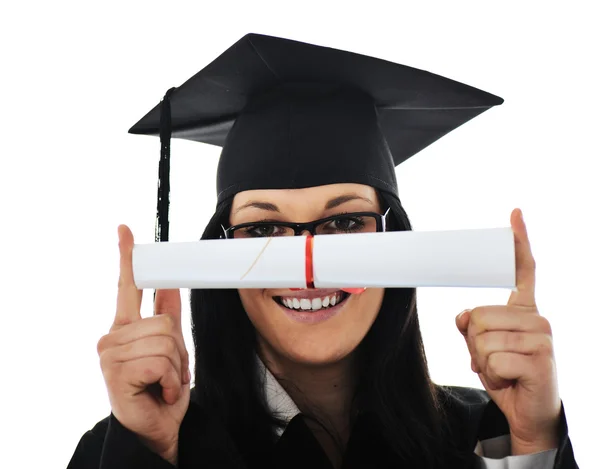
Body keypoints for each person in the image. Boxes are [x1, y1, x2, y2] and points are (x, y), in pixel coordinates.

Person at [68, 34, 578, 468]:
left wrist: (535, 444)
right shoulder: (140, 445)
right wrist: (148, 452)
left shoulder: (488, 439)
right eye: (264, 229)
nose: (307, 268)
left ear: (394, 238)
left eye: (344, 221)